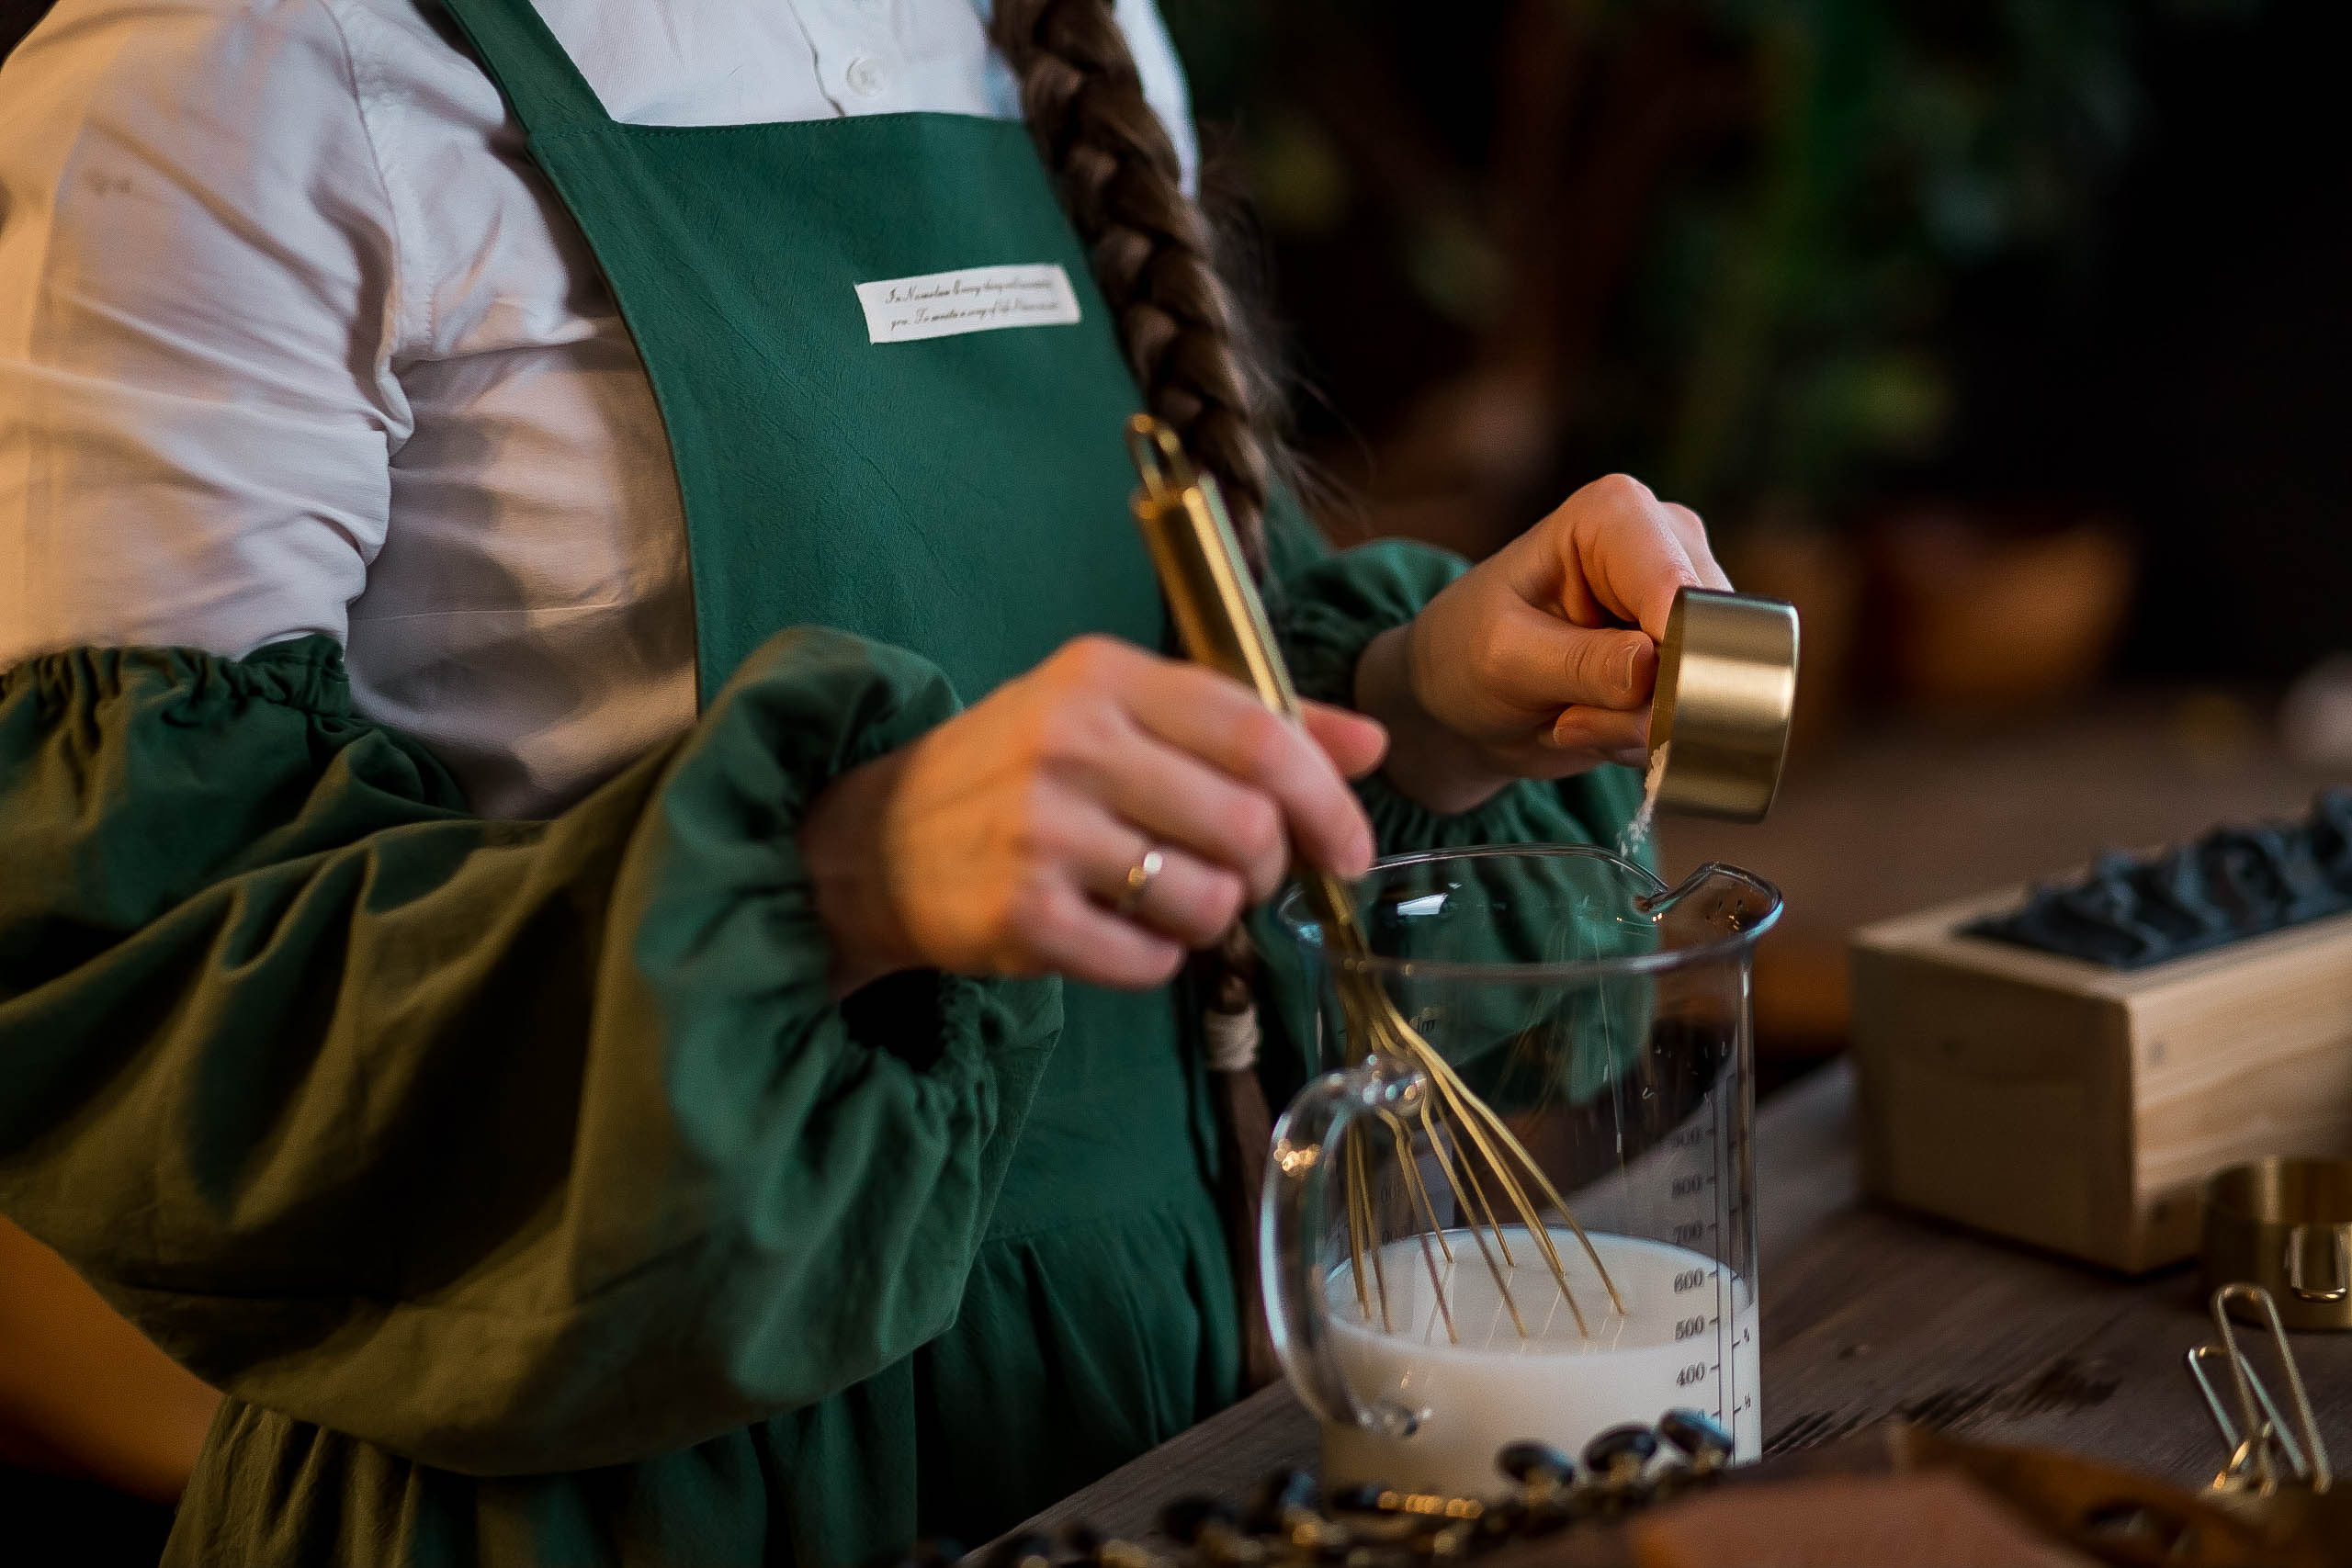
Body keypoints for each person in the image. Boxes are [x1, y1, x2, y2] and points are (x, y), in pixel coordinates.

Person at [0, 0, 1732, 1561]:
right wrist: (838, 880)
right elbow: (136, 1000)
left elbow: (1160, 856)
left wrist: (1413, 714)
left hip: (1165, 1441)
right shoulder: (233, 73)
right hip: (628, 1491)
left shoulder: (1074, 33)